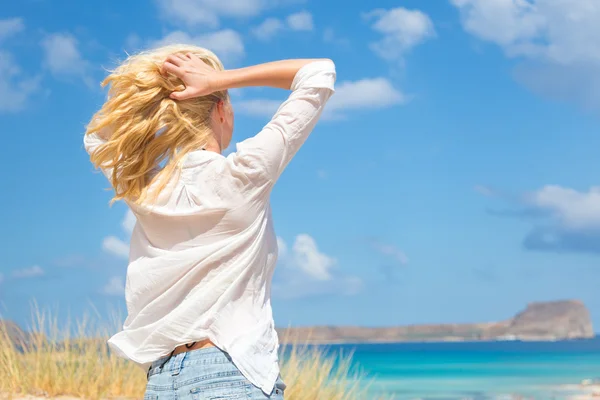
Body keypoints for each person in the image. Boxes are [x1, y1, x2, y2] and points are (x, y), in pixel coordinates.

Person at [83, 44, 336, 400]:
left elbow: (97, 136)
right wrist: (218, 79)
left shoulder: (142, 187)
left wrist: (155, 91)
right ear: (220, 108)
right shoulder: (244, 175)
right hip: (230, 371)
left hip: (162, 379)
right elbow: (318, 70)